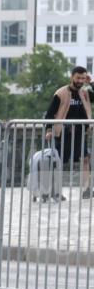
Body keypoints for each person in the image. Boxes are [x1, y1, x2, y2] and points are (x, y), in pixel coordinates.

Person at [44, 66, 93, 199]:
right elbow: (49, 114)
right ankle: (54, 191)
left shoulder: (85, 93)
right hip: (63, 132)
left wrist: (91, 83)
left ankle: (87, 189)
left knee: (85, 159)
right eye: (78, 78)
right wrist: (49, 129)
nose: (80, 81)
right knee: (59, 161)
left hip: (80, 132)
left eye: (83, 78)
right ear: (72, 77)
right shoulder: (61, 93)